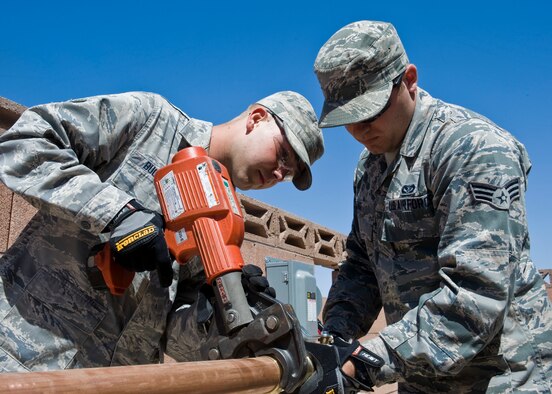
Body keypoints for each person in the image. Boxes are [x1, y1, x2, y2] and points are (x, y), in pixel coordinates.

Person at [0, 90, 324, 371]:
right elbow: (25, 141)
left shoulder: (225, 215)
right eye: (283, 155)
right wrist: (117, 214)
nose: (279, 173)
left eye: (289, 173)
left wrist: (210, 312)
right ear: (257, 118)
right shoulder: (151, 121)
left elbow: (174, 339)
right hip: (25, 361)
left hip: (121, 381)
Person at [313, 20, 552, 393]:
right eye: (348, 118)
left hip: (501, 380)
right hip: (420, 380)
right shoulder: (371, 168)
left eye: (370, 111)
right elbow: (362, 266)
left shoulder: (473, 149)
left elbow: (476, 296)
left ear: (408, 79)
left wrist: (363, 365)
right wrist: (333, 340)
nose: (360, 130)